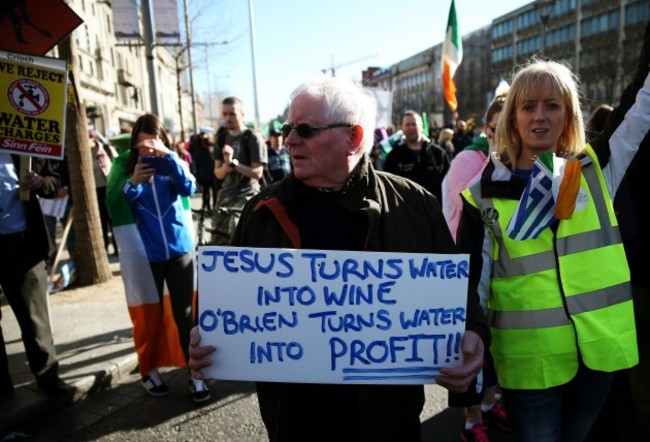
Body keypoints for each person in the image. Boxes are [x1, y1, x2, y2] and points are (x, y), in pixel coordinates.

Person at [188, 76, 489, 441]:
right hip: (294, 421)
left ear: (354, 138)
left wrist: (473, 332)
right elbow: (224, 304)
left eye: (305, 129)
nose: (290, 140)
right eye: (288, 127)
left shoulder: (415, 206)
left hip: (386, 421)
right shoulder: (262, 210)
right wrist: (204, 338)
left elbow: (457, 297)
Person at [456, 34, 649, 440]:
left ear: (568, 116)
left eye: (551, 106)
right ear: (513, 118)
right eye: (527, 107)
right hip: (531, 364)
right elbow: (473, 279)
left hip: (600, 353)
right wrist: (471, 334)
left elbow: (640, 105)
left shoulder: (596, 168)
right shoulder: (482, 193)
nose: (539, 116)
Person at [105, 113, 210, 403]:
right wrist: (133, 183)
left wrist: (170, 158)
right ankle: (148, 370)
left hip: (179, 252)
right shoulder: (125, 169)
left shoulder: (172, 164)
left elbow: (189, 187)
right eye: (141, 146)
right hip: (147, 258)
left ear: (162, 140)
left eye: (152, 144)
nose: (147, 151)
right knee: (149, 318)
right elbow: (115, 204)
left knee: (186, 316)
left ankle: (195, 375)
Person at [441, 93, 509, 442]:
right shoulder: (469, 161)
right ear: (487, 129)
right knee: (471, 340)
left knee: (493, 340)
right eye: (499, 129)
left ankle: (486, 405)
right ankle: (470, 421)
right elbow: (469, 212)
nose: (506, 136)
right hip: (467, 266)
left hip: (499, 267)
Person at [0, 153, 74, 399]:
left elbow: (54, 182)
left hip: (23, 244)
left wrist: (40, 183)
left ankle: (48, 377)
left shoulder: (22, 141)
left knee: (34, 317)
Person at [210, 96, 267, 245]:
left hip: (246, 196)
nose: (228, 118)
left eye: (232, 113)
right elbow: (217, 173)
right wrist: (225, 167)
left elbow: (257, 173)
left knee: (243, 243)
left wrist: (234, 163)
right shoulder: (221, 139)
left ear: (242, 114)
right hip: (225, 198)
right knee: (218, 244)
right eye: (225, 114)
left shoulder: (252, 138)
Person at [383, 110, 451, 202]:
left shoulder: (438, 153)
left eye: (414, 124)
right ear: (402, 128)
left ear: (422, 126)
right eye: (407, 125)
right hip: (406, 213)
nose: (411, 127)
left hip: (436, 212)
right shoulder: (394, 157)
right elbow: (388, 189)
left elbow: (449, 183)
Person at [89, 126, 119, 255]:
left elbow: (117, 164)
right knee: (100, 220)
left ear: (94, 137)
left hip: (108, 189)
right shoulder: (84, 153)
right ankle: (105, 248)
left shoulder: (105, 149)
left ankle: (118, 248)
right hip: (94, 191)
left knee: (112, 219)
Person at [190, 132, 216, 211]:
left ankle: (207, 206)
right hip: (208, 173)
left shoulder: (200, 149)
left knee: (207, 191)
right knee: (209, 191)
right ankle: (208, 206)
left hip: (206, 173)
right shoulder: (207, 149)